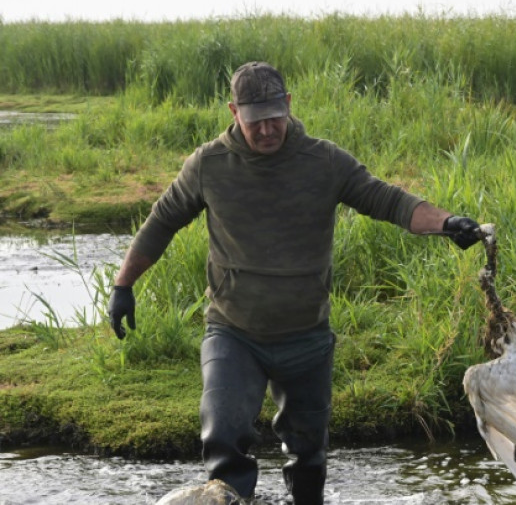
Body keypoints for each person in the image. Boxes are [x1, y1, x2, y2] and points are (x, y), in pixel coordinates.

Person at [107, 61, 481, 504]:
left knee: (308, 457)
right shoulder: (209, 164)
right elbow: (161, 222)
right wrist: (123, 286)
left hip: (306, 337)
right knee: (224, 436)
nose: (267, 130)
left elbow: (388, 200)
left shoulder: (323, 161)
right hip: (233, 332)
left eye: (274, 118)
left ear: (288, 105)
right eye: (254, 122)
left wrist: (448, 223)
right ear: (233, 112)